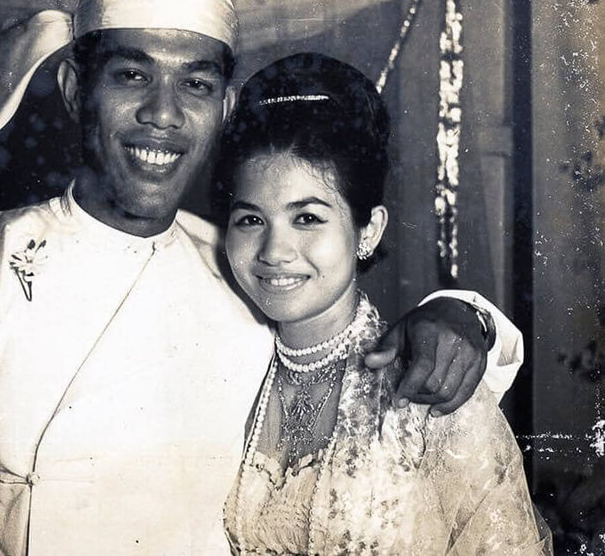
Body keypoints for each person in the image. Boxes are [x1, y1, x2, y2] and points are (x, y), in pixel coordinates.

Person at [0, 0, 523, 554]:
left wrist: (463, 313)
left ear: (224, 104)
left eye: (197, 84)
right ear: (77, 91)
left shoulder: (240, 271)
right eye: (132, 74)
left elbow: (354, 341)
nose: (164, 112)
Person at [218, 53, 551, 555]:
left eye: (307, 218)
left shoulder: (429, 382)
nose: (273, 252)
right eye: (250, 219)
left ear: (368, 229)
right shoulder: (231, 370)